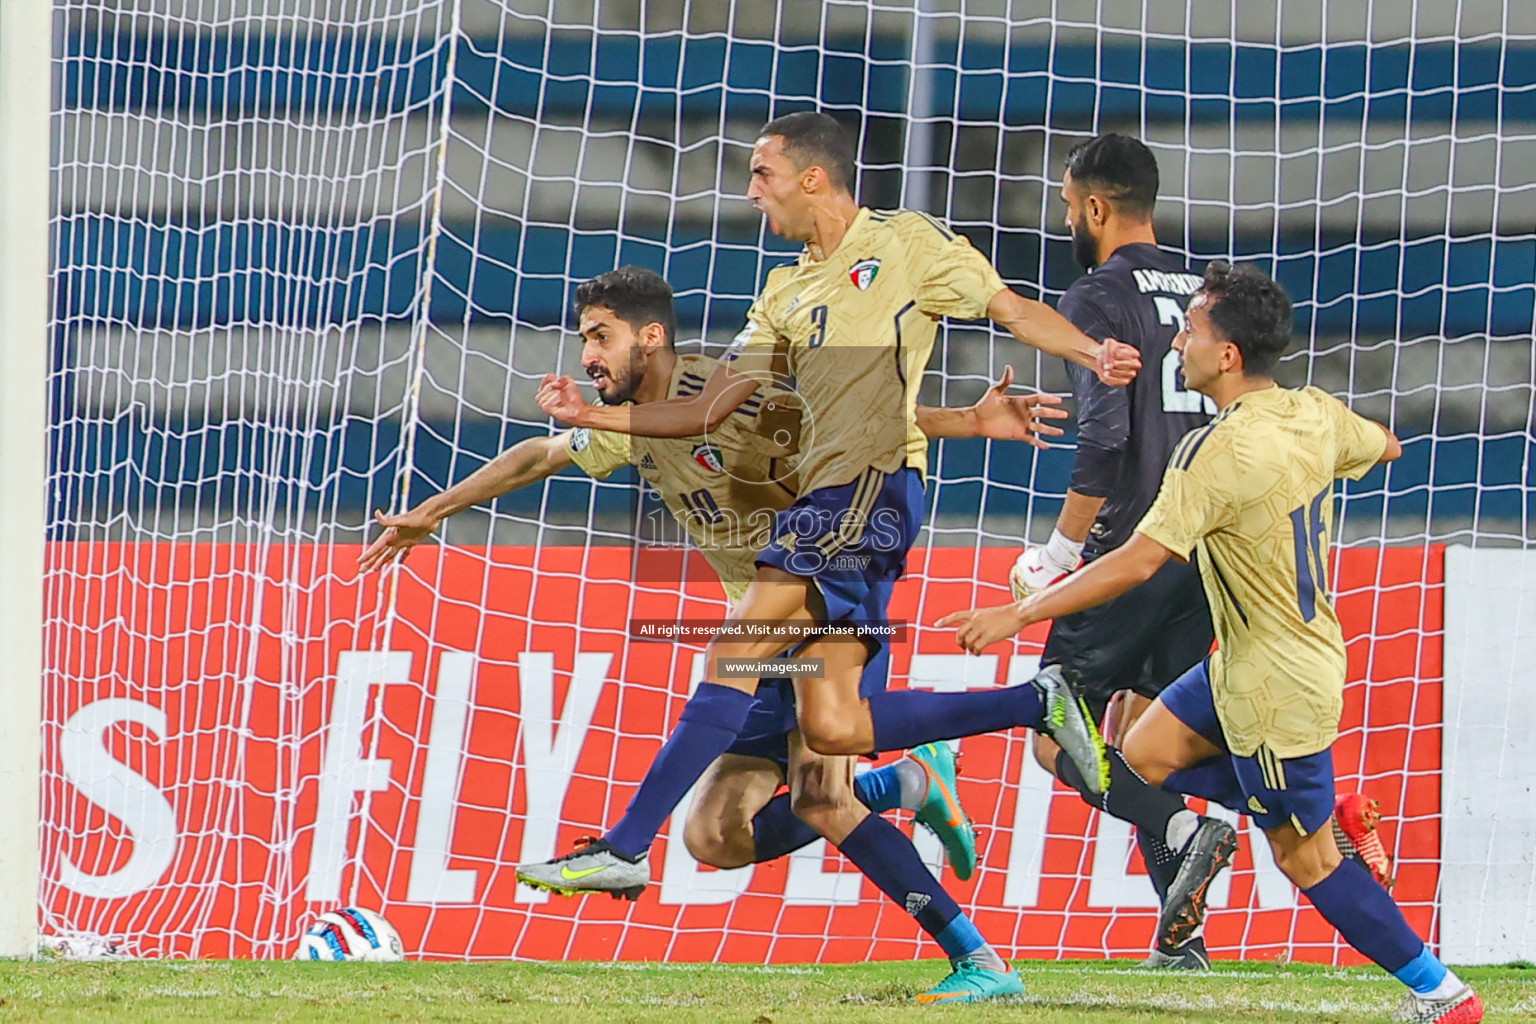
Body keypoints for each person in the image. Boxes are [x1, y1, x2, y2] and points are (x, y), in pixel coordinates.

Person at [519, 110, 1137, 1001]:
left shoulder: (908, 245)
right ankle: (1020, 761)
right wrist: (593, 417)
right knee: (829, 759)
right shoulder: (782, 294)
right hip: (824, 508)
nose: (751, 189)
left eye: (762, 172)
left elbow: (1008, 307)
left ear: (813, 177)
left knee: (735, 649)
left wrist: (1091, 351)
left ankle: (621, 848)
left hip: (866, 494)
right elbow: (708, 410)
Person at [364, 264, 1067, 1003]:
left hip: (830, 583)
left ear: (653, 337)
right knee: (721, 835)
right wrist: (433, 511)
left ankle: (627, 846)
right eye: (585, 340)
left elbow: (849, 419)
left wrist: (967, 422)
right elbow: (539, 455)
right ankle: (912, 784)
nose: (587, 356)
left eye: (600, 337)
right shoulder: (634, 424)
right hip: (768, 627)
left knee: (788, 727)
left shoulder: (727, 392)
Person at [939, 262, 1484, 1024]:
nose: (1177, 343)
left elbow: (1136, 561)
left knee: (1305, 859)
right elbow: (1388, 446)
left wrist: (1019, 617)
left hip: (1275, 684)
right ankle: (1324, 805)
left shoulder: (1212, 452)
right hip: (1244, 659)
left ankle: (1442, 993)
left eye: (1189, 330)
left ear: (1227, 355)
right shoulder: (1314, 413)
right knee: (1142, 757)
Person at [1008, 133, 1227, 969]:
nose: (1068, 219)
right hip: (1206, 547)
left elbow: (1103, 437)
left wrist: (1065, 549)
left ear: (1096, 207)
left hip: (1133, 543)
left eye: (1068, 206)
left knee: (1052, 731)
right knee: (1141, 738)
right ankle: (1183, 940)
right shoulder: (1208, 291)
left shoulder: (1097, 294)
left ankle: (1184, 827)